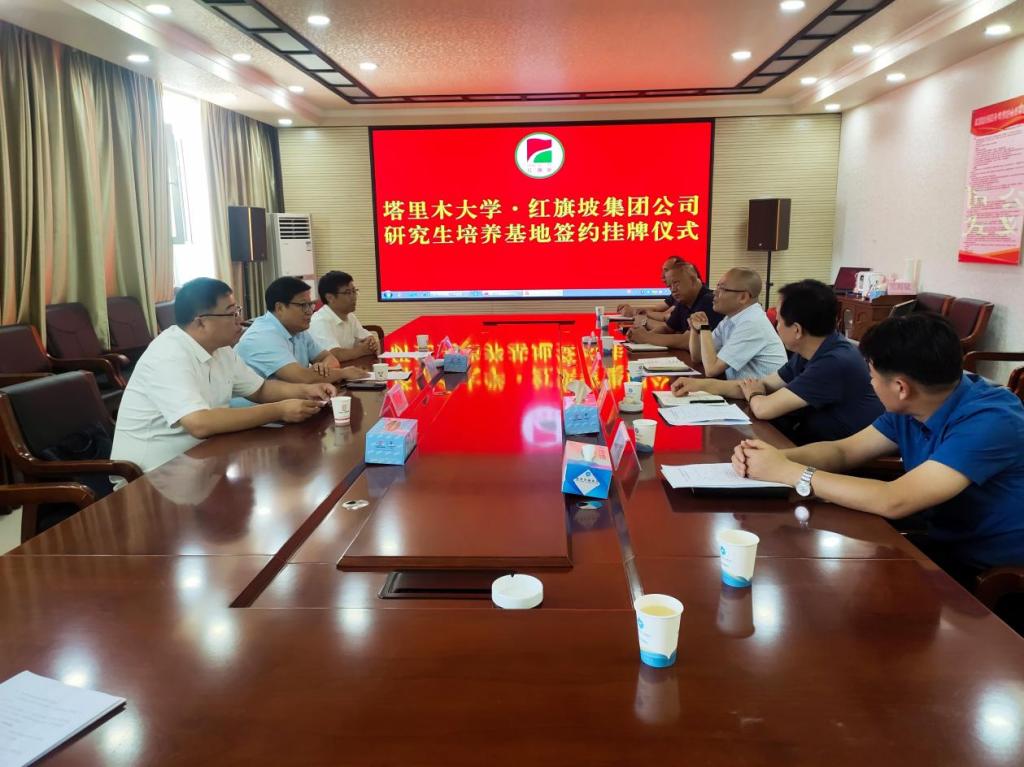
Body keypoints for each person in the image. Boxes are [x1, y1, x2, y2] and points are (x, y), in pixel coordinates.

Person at [733, 312, 1024, 575]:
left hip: (991, 570)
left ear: (900, 388)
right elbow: (843, 451)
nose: (870, 384)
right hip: (941, 539)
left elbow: (895, 499)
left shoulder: (991, 420)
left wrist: (790, 472)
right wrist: (771, 458)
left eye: (871, 377)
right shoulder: (915, 403)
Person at [111, 278, 337, 474]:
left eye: (238, 310)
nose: (240, 319)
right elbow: (199, 423)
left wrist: (306, 390)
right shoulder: (169, 354)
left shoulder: (222, 350)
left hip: (204, 460)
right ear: (201, 321)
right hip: (154, 475)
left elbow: (260, 389)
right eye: (232, 313)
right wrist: (279, 410)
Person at [672, 279, 882, 443]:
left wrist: (754, 393)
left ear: (797, 330)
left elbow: (764, 407)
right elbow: (762, 385)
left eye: (779, 321)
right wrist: (700, 385)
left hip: (836, 456)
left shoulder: (833, 362)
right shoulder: (812, 349)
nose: (776, 326)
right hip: (807, 439)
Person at [235, 276, 367, 385]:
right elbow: (302, 377)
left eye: (310, 305)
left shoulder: (298, 329)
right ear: (280, 308)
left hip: (291, 400)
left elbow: (330, 358)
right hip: (256, 407)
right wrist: (343, 373)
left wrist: (324, 368)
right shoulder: (263, 336)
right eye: (303, 305)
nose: (310, 311)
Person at [688, 267, 786, 380]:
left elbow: (711, 369)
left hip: (765, 390)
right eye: (717, 287)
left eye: (722, 288)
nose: (715, 292)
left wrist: (704, 327)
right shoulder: (731, 318)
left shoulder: (752, 323)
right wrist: (695, 330)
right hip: (741, 388)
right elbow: (697, 357)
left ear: (743, 297)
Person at [627, 261, 723, 349]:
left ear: (693, 280)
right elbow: (667, 328)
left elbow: (687, 341)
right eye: (669, 286)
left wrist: (647, 337)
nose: (673, 290)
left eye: (676, 283)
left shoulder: (710, 301)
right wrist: (639, 336)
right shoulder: (684, 301)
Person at [308, 271, 380, 361]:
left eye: (354, 291)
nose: (354, 297)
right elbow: (333, 355)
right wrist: (362, 350)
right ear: (330, 297)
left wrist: (370, 342)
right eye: (348, 292)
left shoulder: (350, 316)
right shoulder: (319, 321)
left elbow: (366, 337)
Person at [616, 256, 686, 322]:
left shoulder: (684, 295)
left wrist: (634, 313)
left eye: (666, 271)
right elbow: (656, 309)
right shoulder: (675, 293)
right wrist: (631, 309)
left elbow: (664, 316)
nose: (662, 276)